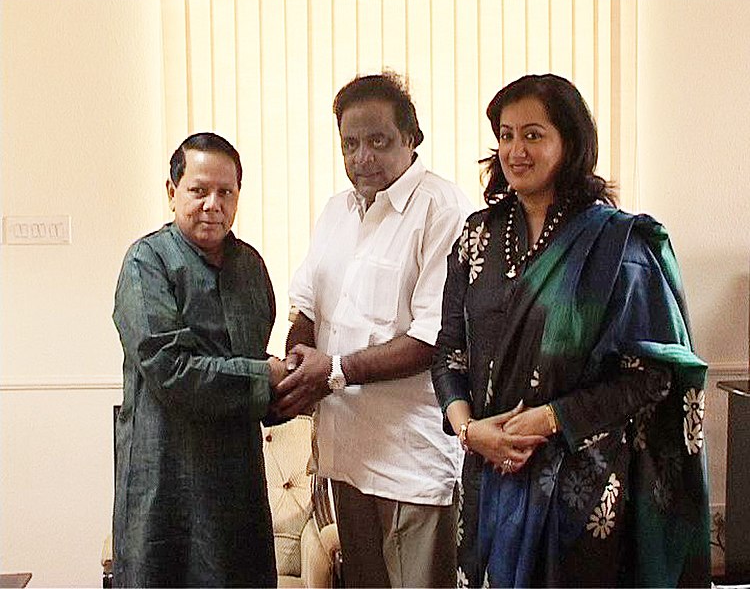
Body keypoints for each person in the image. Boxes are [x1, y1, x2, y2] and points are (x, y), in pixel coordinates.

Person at [431, 74, 710, 587]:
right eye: (507, 135)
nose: (516, 150)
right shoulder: (478, 235)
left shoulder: (617, 247)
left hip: (581, 492)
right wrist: (470, 431)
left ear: (570, 143)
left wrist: (551, 418)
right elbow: (450, 349)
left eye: (533, 135)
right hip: (488, 476)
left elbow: (652, 377)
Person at [272, 72, 472, 588]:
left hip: (412, 459)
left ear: (412, 138)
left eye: (378, 141)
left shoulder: (443, 209)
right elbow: (307, 311)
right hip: (346, 454)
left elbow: (433, 339)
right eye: (350, 144)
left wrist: (332, 371)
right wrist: (298, 362)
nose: (363, 157)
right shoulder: (335, 211)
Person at [112, 132, 286, 587]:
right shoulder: (145, 263)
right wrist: (266, 377)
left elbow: (252, 359)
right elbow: (170, 370)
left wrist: (294, 381)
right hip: (166, 478)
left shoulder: (250, 266)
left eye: (225, 192)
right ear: (172, 192)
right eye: (199, 190)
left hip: (237, 480)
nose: (213, 204)